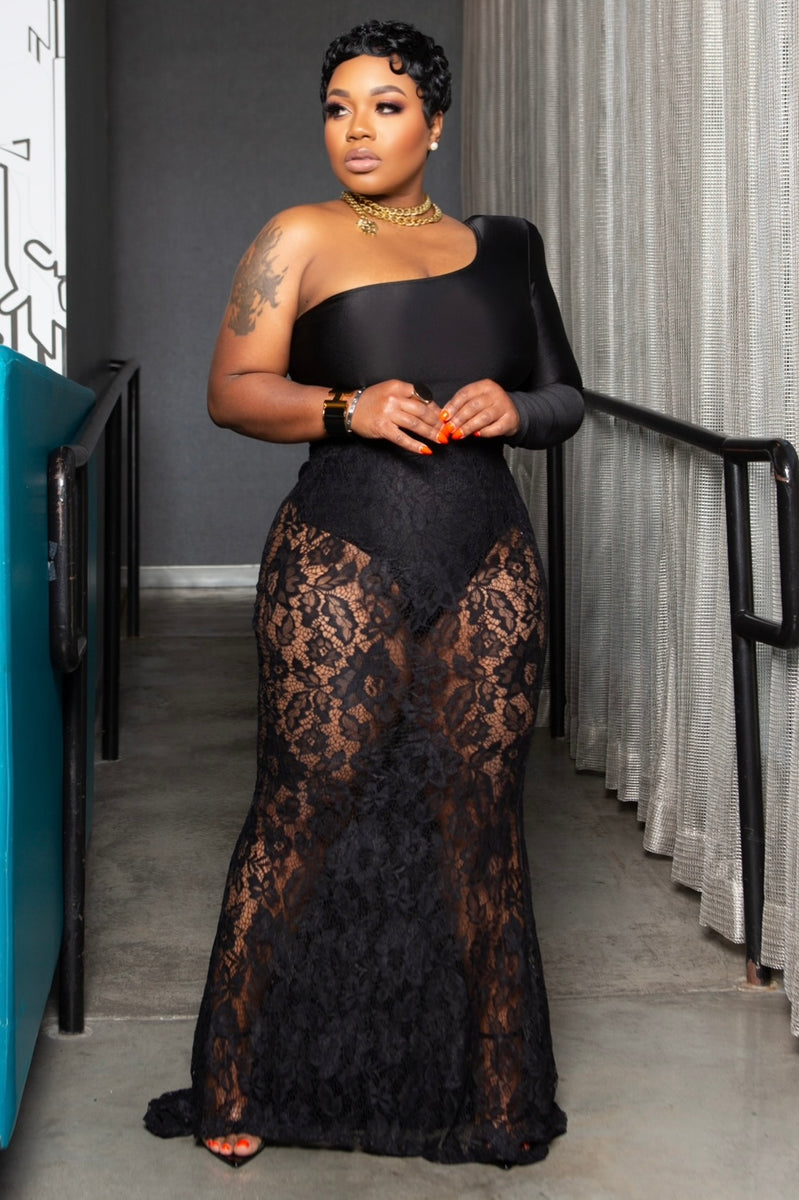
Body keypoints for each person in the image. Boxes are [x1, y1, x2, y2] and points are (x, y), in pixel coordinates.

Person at [144, 19, 583, 1170]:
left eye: (385, 106)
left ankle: (495, 1094)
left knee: (480, 821)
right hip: (340, 553)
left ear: (434, 123)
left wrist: (513, 407)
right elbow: (232, 390)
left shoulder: (507, 246)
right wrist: (346, 407)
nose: (356, 129)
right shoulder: (296, 235)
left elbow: (564, 398)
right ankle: (232, 1080)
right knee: (304, 806)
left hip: (487, 556)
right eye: (338, 107)